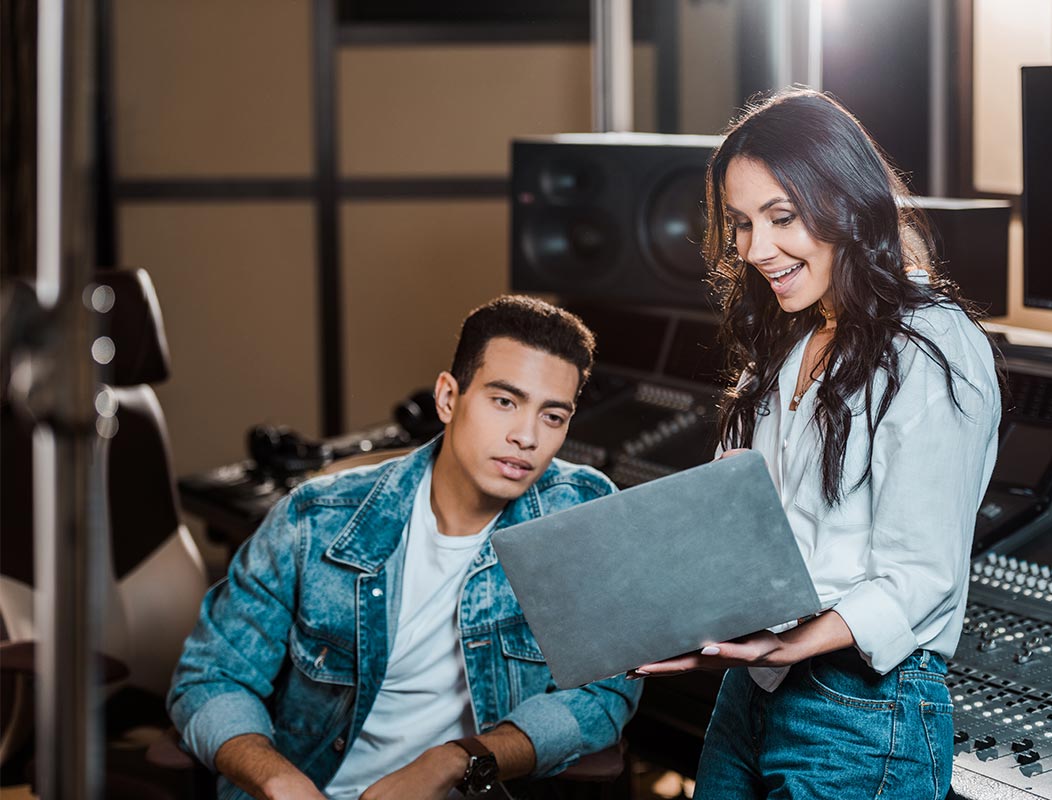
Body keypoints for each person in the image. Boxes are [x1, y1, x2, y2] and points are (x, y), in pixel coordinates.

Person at [632, 88, 1002, 799]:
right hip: (755, 690)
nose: (755, 250)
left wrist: (792, 642)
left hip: (859, 709)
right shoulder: (787, 341)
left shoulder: (931, 344)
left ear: (847, 204)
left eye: (782, 217)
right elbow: (739, 520)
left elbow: (921, 576)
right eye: (740, 223)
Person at [169, 295, 641, 800]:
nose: (527, 436)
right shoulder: (315, 519)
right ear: (447, 398)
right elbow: (210, 678)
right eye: (504, 401)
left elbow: (604, 692)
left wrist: (458, 759)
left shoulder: (581, 512)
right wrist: (276, 779)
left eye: (552, 417)